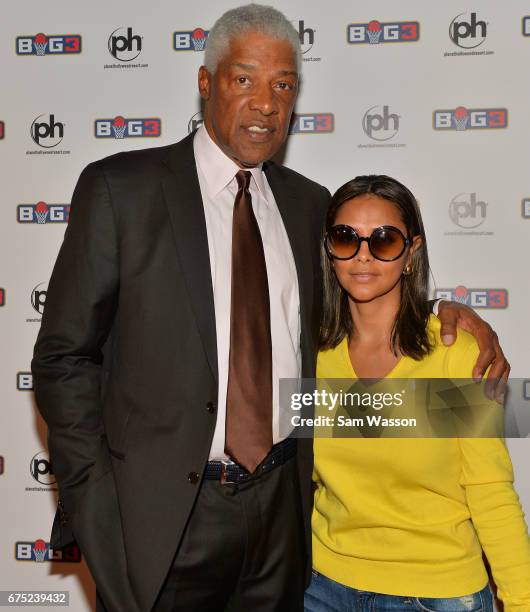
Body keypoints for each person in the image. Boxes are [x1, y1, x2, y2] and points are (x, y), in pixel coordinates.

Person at [31, 5, 509, 612]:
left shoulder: (309, 206)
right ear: (206, 83)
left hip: (287, 519)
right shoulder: (121, 190)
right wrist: (98, 506)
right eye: (244, 79)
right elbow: (62, 358)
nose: (266, 102)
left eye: (283, 85)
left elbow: (364, 279)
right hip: (163, 522)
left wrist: (449, 312)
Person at [306, 175, 530, 612]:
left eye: (384, 241)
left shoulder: (454, 353)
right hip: (323, 588)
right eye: (345, 237)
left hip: (435, 594)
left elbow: (489, 490)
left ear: (411, 252)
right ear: (329, 249)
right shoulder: (311, 353)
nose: (363, 256)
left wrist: (521, 600)